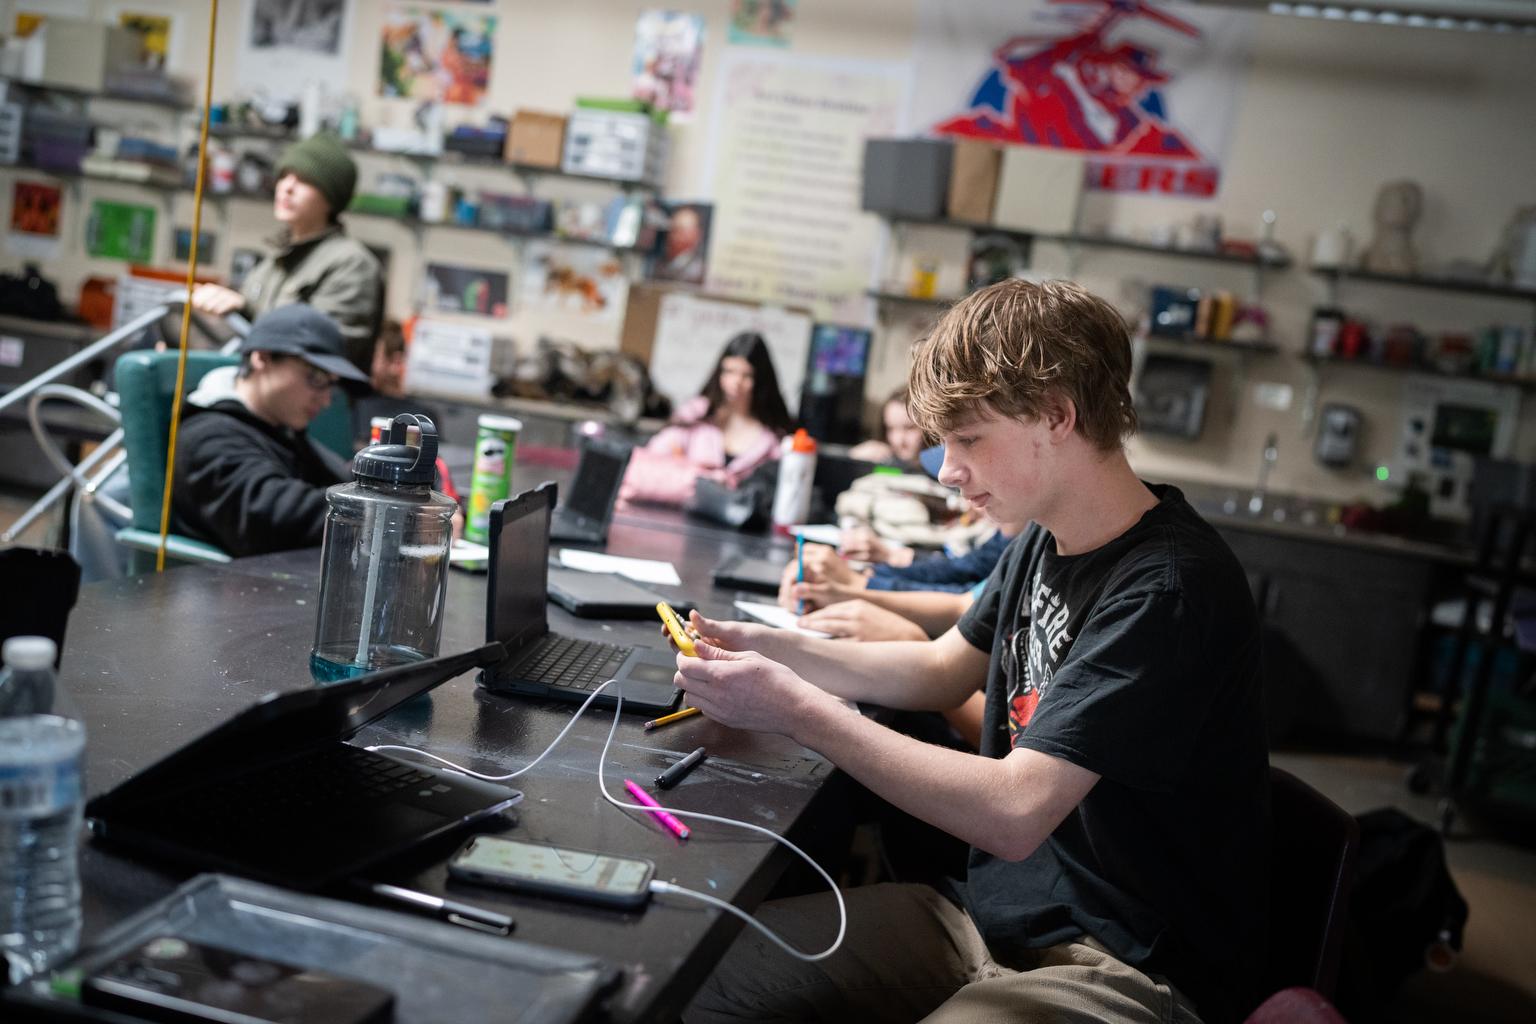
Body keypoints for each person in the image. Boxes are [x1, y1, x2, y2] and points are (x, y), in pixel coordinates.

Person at [675, 279, 1270, 1024]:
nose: (947, 470)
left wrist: (800, 710)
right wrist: (770, 647)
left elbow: (1015, 811)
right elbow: (938, 668)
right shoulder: (1046, 538)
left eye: (967, 440)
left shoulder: (1168, 589)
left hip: (1117, 966)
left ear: (1056, 415)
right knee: (681, 983)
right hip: (985, 920)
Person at [174, 305, 370, 558]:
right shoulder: (207, 436)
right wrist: (378, 509)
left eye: (331, 385)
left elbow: (332, 479)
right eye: (317, 378)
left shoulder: (278, 428)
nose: (326, 400)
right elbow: (272, 520)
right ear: (262, 358)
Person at [189, 133, 383, 373]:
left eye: (304, 180)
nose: (287, 188)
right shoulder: (272, 264)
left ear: (332, 197)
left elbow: (327, 344)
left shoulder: (351, 263)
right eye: (284, 176)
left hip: (313, 403)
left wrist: (246, 309)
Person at [619, 331, 793, 508]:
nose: (736, 382)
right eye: (729, 371)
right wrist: (702, 478)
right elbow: (648, 463)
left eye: (746, 375)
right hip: (682, 516)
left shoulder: (774, 438)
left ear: (761, 380)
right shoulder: (696, 414)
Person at [848, 386, 927, 468]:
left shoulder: (938, 471)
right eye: (890, 428)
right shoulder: (879, 459)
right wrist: (853, 459)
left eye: (909, 428)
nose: (898, 440)